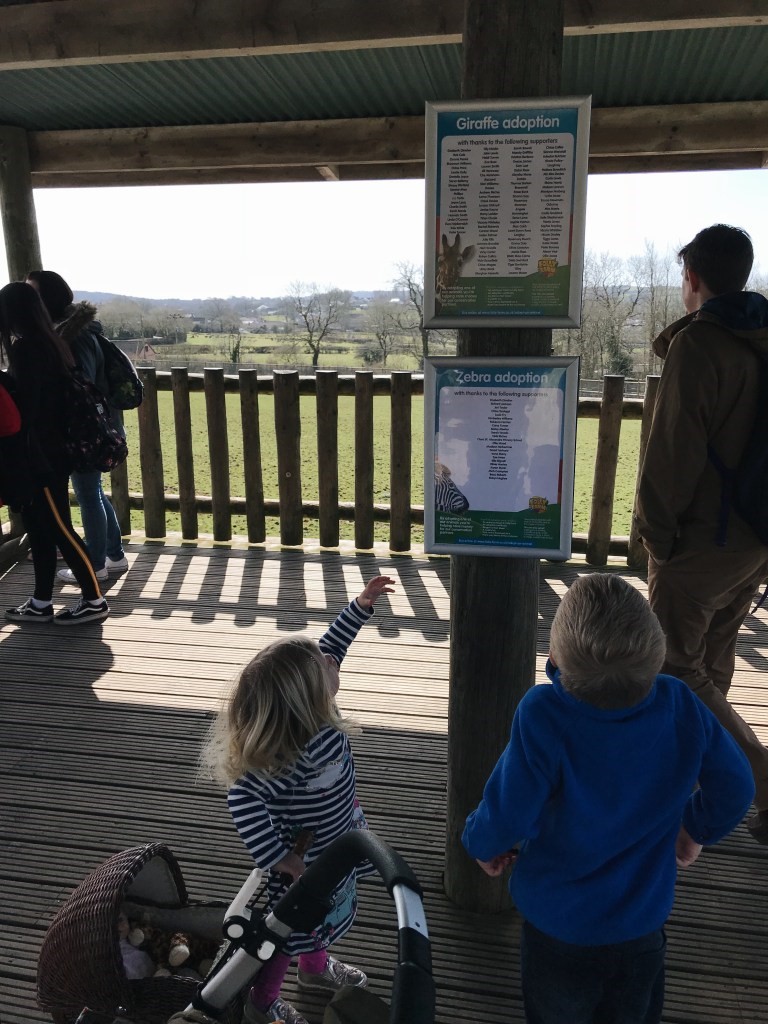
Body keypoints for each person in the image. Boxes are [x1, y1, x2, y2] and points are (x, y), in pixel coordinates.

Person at [462, 573, 753, 1024]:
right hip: (641, 926)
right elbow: (736, 785)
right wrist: (695, 829)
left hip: (557, 929)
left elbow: (508, 810)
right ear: (657, 656)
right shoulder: (678, 702)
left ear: (555, 656)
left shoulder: (544, 714)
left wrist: (481, 846)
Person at [202, 575, 395, 1024]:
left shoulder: (316, 711)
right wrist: (280, 858)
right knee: (288, 935)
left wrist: (360, 606)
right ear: (309, 698)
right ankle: (262, 1002)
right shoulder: (286, 755)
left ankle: (314, 971)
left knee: (319, 919)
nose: (332, 659)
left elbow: (331, 647)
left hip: (337, 845)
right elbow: (243, 797)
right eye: (323, 665)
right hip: (304, 864)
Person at [634, 224, 768, 843]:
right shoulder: (760, 337)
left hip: (703, 541)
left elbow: (672, 454)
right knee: (711, 656)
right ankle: (697, 773)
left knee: (674, 665)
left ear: (692, 277)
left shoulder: (701, 346)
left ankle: (758, 778)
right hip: (755, 537)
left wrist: (655, 538)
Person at [0, 282, 109, 624]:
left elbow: (26, 407)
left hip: (41, 456)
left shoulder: (28, 349)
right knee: (41, 527)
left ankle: (94, 600)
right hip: (51, 451)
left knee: (59, 526)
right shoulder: (51, 342)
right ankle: (41, 600)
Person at [26, 270, 128, 583]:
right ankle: (114, 555)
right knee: (92, 491)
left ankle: (95, 564)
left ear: (47, 299)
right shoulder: (78, 330)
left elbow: (78, 382)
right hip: (97, 425)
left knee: (87, 493)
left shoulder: (74, 336)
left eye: (33, 293)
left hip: (87, 429)